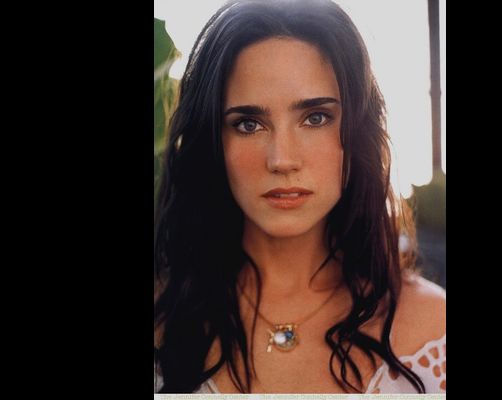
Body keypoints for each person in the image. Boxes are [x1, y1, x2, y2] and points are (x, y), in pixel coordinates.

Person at [154, 0, 445, 394]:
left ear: (358, 132)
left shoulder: (434, 331)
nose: (282, 160)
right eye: (249, 124)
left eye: (315, 118)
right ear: (212, 142)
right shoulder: (161, 317)